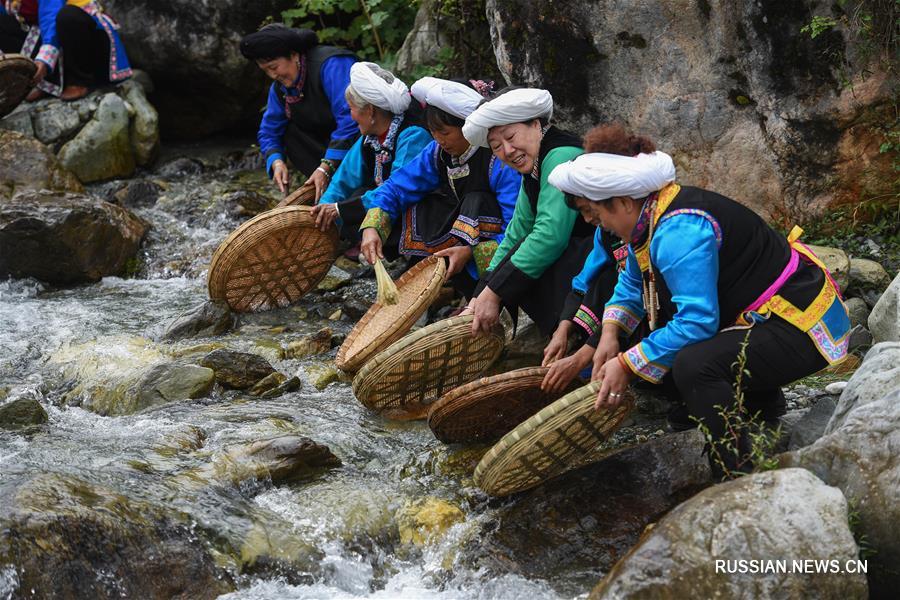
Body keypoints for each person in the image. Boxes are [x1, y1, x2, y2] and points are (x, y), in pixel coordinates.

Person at [548, 145, 851, 478]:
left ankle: (734, 469)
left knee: (693, 366)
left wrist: (625, 362)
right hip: (759, 317)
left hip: (798, 323)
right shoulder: (648, 219)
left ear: (621, 202)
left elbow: (696, 323)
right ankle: (760, 403)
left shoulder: (680, 231)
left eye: (594, 213)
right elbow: (631, 285)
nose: (595, 223)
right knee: (658, 354)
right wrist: (609, 334)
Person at [357, 77, 521, 296]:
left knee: (476, 201)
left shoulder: (499, 161)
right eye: (433, 132)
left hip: (500, 241)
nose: (438, 139)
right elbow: (397, 187)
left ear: (468, 126)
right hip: (464, 233)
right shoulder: (436, 152)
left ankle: (482, 293)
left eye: (445, 132)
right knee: (415, 204)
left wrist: (471, 253)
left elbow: (516, 227)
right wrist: (372, 227)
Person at [461, 87, 595, 336]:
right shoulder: (534, 167)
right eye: (496, 146)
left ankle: (578, 336)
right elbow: (516, 230)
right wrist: (480, 295)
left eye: (511, 137)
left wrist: (495, 291)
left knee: (533, 265)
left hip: (604, 259)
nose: (508, 151)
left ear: (536, 124)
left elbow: (549, 235)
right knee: (516, 257)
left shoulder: (560, 155)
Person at [541, 124, 650, 394]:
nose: (589, 220)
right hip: (632, 315)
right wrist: (563, 330)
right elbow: (587, 282)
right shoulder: (608, 234)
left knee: (609, 280)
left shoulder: (659, 227)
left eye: (591, 210)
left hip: (656, 316)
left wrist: (582, 357)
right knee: (603, 279)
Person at [309, 62, 433, 242]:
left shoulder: (412, 136)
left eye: (351, 108)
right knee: (356, 196)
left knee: (355, 207)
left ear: (370, 111)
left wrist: (339, 209)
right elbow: (343, 179)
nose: (351, 116)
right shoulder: (370, 138)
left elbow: (398, 187)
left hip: (413, 206)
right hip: (386, 201)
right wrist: (321, 209)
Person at [240, 24, 358, 198]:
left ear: (294, 55)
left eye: (274, 67)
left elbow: (351, 119)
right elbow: (269, 131)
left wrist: (325, 166)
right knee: (287, 131)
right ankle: (324, 188)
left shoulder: (332, 65)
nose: (273, 76)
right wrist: (276, 161)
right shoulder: (279, 89)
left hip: (362, 146)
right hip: (326, 147)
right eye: (266, 71)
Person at [0, 0, 132, 101]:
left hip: (87, 41)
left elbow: (50, 14)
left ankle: (79, 81)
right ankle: (44, 82)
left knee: (68, 17)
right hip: (48, 33)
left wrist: (45, 59)